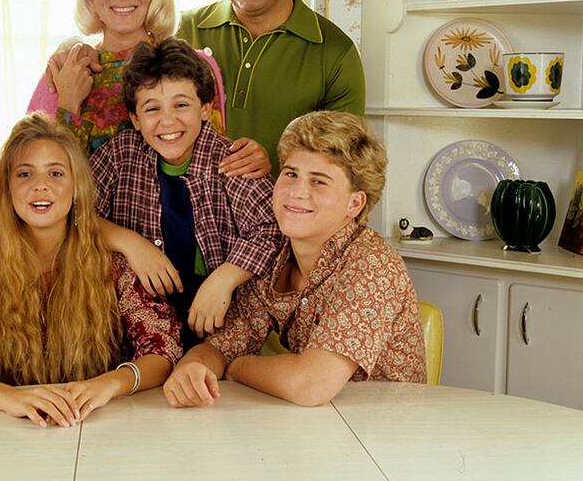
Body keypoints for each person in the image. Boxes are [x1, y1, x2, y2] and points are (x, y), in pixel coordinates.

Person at [0, 113, 182, 426]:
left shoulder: (116, 266)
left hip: (100, 429)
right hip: (2, 433)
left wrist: (109, 385)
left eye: (56, 173)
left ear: (76, 188)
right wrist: (8, 398)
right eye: (25, 174)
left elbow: (162, 349)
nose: (40, 186)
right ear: (6, 189)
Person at [163, 111, 426, 409]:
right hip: (314, 428)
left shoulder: (372, 265)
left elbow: (310, 385)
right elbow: (223, 346)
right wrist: (194, 367)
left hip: (386, 436)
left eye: (319, 182)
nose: (296, 191)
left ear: (354, 203)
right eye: (290, 174)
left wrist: (237, 368)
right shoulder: (275, 258)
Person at [29, 0, 270, 179]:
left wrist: (251, 160)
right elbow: (36, 175)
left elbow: (215, 168)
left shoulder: (193, 66)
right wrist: (68, 104)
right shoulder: (65, 70)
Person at [90, 38, 282, 349]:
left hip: (218, 314)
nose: (168, 121)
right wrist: (130, 243)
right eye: (152, 109)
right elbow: (74, 213)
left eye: (181, 105)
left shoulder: (232, 160)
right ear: (136, 120)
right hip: (135, 316)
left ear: (205, 108)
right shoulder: (118, 155)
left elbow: (272, 230)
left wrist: (224, 278)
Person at [178, 0, 365, 173]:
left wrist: (277, 167)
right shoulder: (187, 29)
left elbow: (342, 165)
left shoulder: (335, 52)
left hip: (281, 211)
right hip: (184, 209)